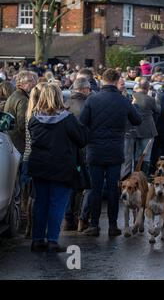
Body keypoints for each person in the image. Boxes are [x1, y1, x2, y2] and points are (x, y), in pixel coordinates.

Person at [80, 69, 142, 237]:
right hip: (115, 150)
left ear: (103, 81)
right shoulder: (123, 101)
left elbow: (81, 122)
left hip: (94, 150)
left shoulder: (92, 100)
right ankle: (113, 226)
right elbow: (137, 120)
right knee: (114, 189)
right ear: (116, 82)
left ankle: (94, 225)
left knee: (95, 188)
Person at [28, 83, 88, 252]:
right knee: (57, 204)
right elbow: (82, 139)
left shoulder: (34, 119)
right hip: (62, 167)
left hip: (39, 166)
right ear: (59, 97)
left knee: (41, 203)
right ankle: (52, 239)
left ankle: (37, 239)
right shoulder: (67, 119)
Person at [63, 77, 91, 231]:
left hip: (67, 151)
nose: (89, 91)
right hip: (83, 150)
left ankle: (68, 218)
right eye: (88, 89)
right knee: (82, 184)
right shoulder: (87, 105)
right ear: (84, 89)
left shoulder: (65, 104)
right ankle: (77, 217)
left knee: (69, 185)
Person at [4, 71, 38, 155]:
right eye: (30, 81)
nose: (34, 83)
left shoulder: (16, 95)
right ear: (20, 84)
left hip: (12, 142)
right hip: (19, 145)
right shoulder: (23, 100)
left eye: (33, 80)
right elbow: (23, 126)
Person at [132, 80, 159, 175]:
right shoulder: (150, 99)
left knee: (137, 154)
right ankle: (144, 176)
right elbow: (157, 109)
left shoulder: (133, 96)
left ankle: (135, 174)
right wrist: (156, 98)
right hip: (148, 129)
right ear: (147, 88)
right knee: (146, 154)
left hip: (135, 129)